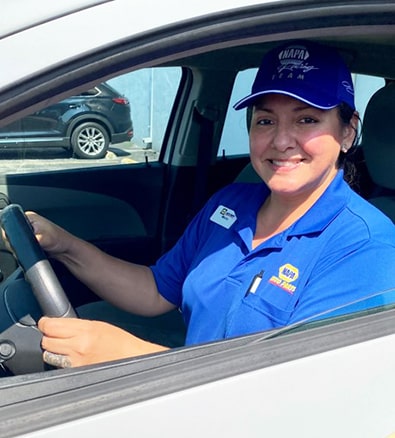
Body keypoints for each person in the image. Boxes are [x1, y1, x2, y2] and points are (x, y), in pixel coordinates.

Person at [27, 40, 395, 368]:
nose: (281, 140)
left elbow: (295, 396)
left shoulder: (365, 246)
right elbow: (156, 290)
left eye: (307, 119)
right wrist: (64, 245)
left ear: (347, 132)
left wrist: (128, 357)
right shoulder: (230, 205)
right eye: (265, 120)